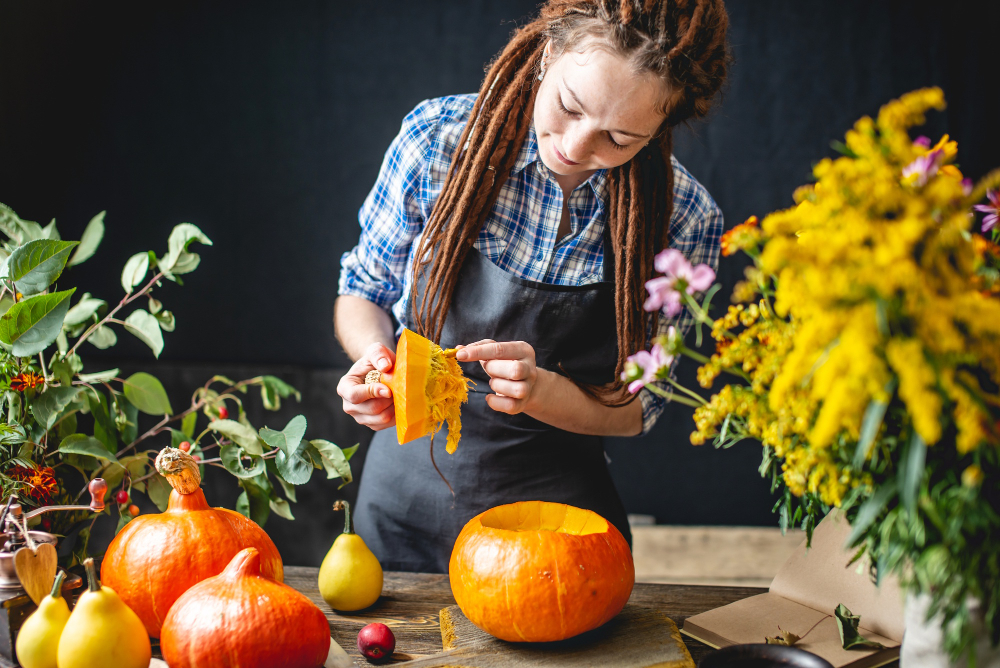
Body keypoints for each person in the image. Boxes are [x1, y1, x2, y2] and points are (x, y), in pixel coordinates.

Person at [336, 0, 729, 573]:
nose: (575, 147)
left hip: (558, 532)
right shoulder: (438, 143)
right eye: (569, 106)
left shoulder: (685, 219)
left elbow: (639, 407)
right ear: (549, 51)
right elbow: (362, 292)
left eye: (619, 138)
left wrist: (542, 392)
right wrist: (375, 364)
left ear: (659, 129)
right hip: (400, 516)